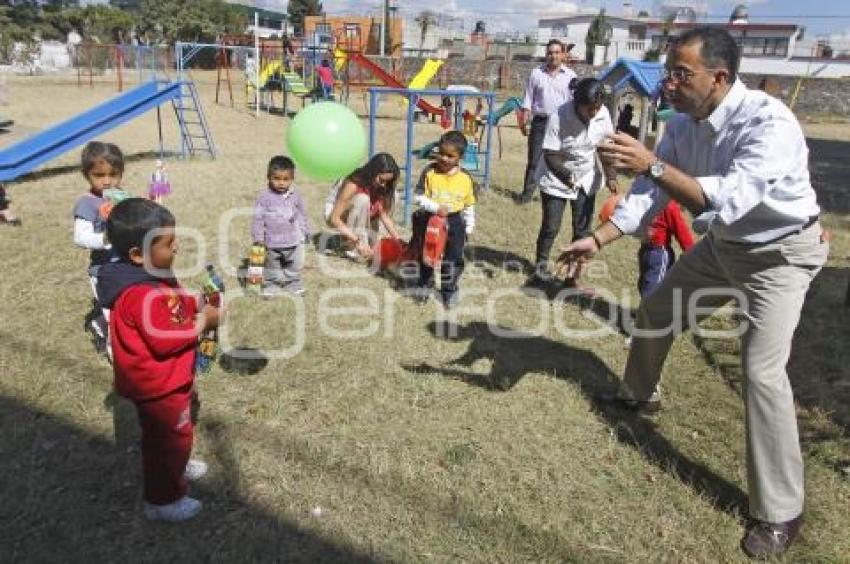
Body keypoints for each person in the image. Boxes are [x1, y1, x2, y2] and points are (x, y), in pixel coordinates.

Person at [558, 27, 828, 559]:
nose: (670, 83)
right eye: (668, 71)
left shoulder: (768, 122)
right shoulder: (682, 125)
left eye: (682, 73)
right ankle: (640, 393)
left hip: (779, 255)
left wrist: (651, 163)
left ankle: (780, 511)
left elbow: (725, 199)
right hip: (724, 248)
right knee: (656, 311)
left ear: (719, 78)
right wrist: (596, 239)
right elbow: (646, 197)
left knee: (760, 372)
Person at [96, 198, 221, 522]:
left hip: (168, 378)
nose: (176, 246)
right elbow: (165, 340)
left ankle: (175, 464)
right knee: (167, 436)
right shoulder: (139, 293)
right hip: (157, 384)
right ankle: (163, 500)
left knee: (169, 435)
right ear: (138, 254)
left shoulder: (153, 272)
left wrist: (197, 301)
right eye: (168, 243)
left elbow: (174, 299)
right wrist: (203, 323)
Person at [528, 77, 618, 288]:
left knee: (582, 230)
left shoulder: (603, 113)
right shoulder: (559, 116)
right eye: (589, 109)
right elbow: (550, 154)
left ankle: (572, 279)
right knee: (551, 227)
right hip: (557, 176)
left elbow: (605, 149)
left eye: (597, 108)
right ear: (577, 104)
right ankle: (540, 272)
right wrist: (567, 177)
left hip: (586, 177)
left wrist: (611, 175)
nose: (594, 113)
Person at [410, 130, 476, 307]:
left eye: (450, 156)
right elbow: (417, 196)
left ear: (460, 157)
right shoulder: (430, 171)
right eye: (441, 153)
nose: (444, 158)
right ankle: (424, 286)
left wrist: (468, 227)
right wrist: (435, 207)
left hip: (455, 223)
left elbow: (469, 204)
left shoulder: (466, 178)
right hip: (430, 221)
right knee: (427, 256)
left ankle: (449, 290)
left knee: (452, 259)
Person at [73, 141, 123, 352]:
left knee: (123, 307)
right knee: (111, 310)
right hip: (102, 270)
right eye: (99, 175)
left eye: (113, 174)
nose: (107, 181)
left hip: (124, 264)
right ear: (87, 175)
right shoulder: (87, 203)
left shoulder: (120, 196)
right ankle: (107, 338)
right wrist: (103, 239)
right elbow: (80, 236)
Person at [517, 39, 577, 204]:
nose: (553, 56)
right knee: (534, 160)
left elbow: (575, 102)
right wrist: (524, 121)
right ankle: (526, 196)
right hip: (540, 122)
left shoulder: (571, 76)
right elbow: (528, 98)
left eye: (557, 52)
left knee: (560, 160)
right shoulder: (536, 73)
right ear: (546, 54)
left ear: (563, 55)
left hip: (562, 124)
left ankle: (556, 195)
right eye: (550, 52)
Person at [251, 156, 311, 296]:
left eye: (286, 179)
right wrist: (258, 238)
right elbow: (258, 219)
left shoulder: (295, 195)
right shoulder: (264, 198)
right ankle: (271, 285)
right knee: (272, 266)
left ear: (292, 178)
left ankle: (292, 282)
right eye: (277, 178)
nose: (281, 183)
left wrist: (306, 230)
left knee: (295, 265)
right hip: (272, 242)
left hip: (294, 240)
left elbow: (302, 214)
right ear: (268, 177)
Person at [325, 152, 402, 261]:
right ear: (373, 172)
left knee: (394, 195)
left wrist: (398, 240)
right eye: (381, 180)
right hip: (336, 213)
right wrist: (357, 241)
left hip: (365, 210)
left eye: (387, 182)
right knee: (362, 199)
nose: (384, 185)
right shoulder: (353, 184)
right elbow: (334, 218)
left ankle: (372, 240)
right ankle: (351, 245)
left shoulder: (381, 186)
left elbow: (384, 216)